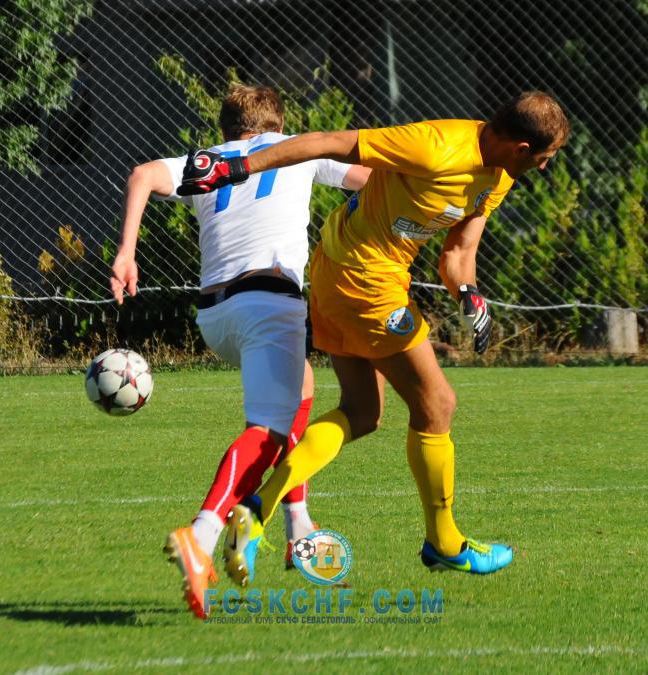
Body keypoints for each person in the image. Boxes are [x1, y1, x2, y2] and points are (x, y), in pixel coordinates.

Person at [178, 90, 570, 584]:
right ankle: (444, 543)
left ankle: (255, 512)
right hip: (365, 284)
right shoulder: (434, 145)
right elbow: (326, 141)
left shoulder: (499, 176)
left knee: (363, 412)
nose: (545, 167)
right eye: (545, 157)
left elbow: (458, 254)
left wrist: (468, 293)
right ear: (521, 147)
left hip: (342, 275)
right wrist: (239, 166)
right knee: (438, 404)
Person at [110, 84, 370, 617]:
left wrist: (126, 252)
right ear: (279, 127)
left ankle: (298, 524)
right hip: (269, 304)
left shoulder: (207, 161)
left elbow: (141, 175)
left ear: (226, 129)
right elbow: (372, 181)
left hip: (215, 316)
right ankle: (203, 534)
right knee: (266, 433)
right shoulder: (299, 149)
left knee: (301, 387)